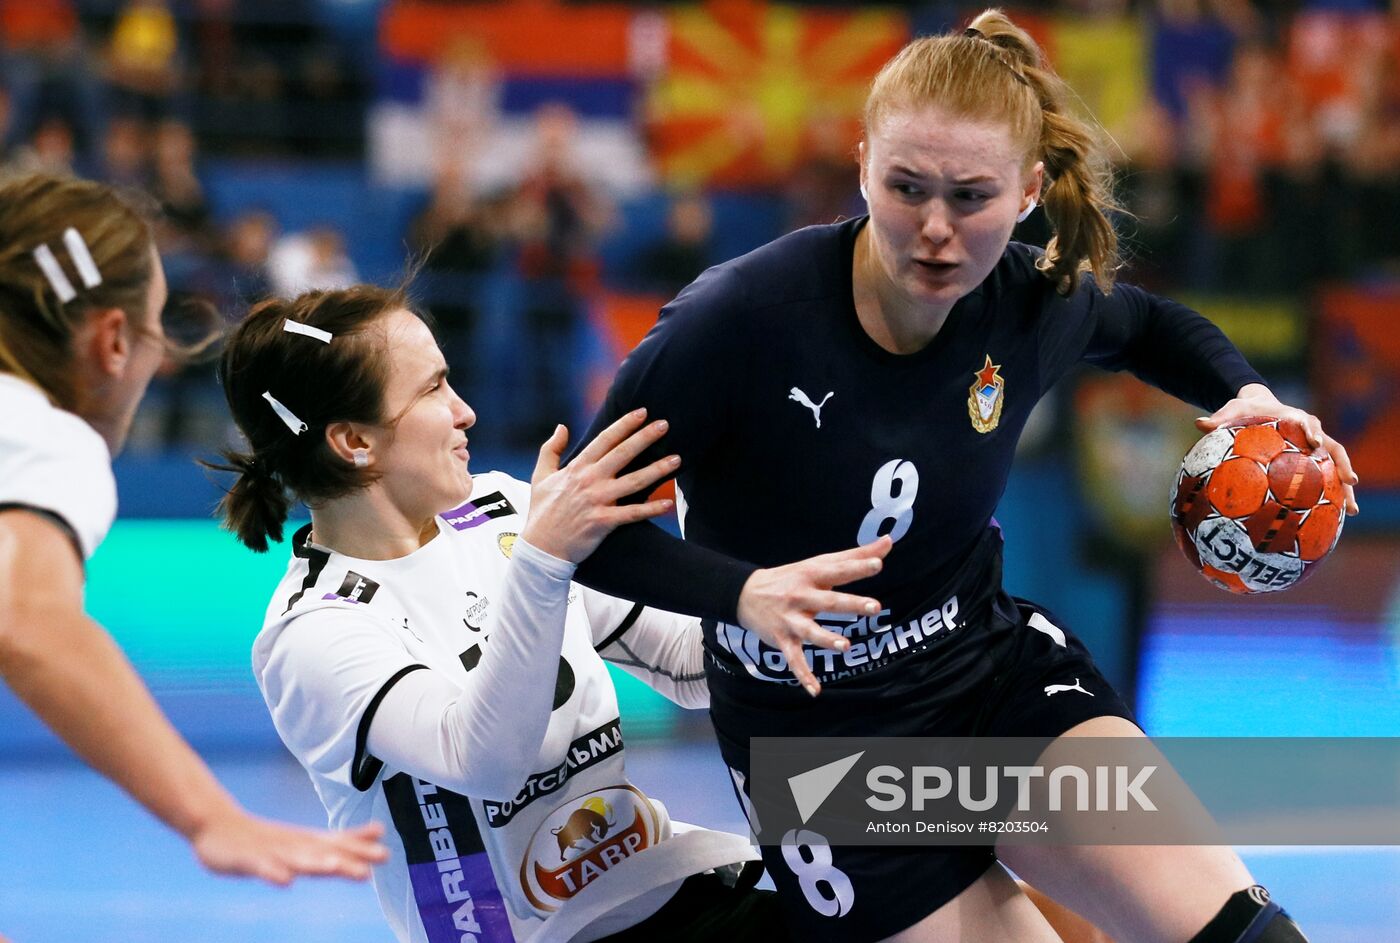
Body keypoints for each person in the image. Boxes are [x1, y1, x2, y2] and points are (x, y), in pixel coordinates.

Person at [564, 10, 1359, 943]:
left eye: (972, 197)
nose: (936, 230)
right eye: (907, 188)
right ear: (861, 165)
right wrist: (741, 592)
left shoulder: (1031, 299)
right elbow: (583, 529)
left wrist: (1251, 394)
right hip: (822, 755)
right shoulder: (737, 320)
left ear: (1026, 193)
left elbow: (1146, 326)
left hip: (988, 679)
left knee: (1249, 936)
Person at [212, 284, 888, 942]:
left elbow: (689, 665)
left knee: (962, 805)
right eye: (432, 389)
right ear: (353, 442)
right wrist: (542, 559)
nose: (465, 411)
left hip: (675, 889)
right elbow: (484, 758)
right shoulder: (312, 631)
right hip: (545, 935)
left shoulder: (500, 512)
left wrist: (745, 536)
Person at [0, 172, 387, 886]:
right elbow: (28, 617)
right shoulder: (39, 430)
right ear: (113, 342)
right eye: (158, 329)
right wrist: (211, 816)